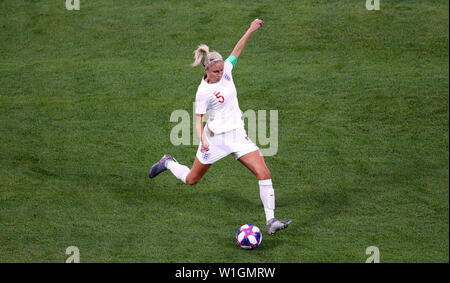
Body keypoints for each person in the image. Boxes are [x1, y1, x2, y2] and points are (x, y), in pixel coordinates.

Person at [149, 19, 291, 235]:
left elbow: (236, 50)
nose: (220, 74)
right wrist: (204, 141)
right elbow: (198, 120)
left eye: (222, 69)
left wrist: (250, 29)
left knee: (264, 173)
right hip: (215, 141)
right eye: (216, 71)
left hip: (237, 135)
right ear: (206, 70)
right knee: (192, 180)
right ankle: (168, 162)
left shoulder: (226, 71)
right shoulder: (203, 92)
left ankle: (271, 221)